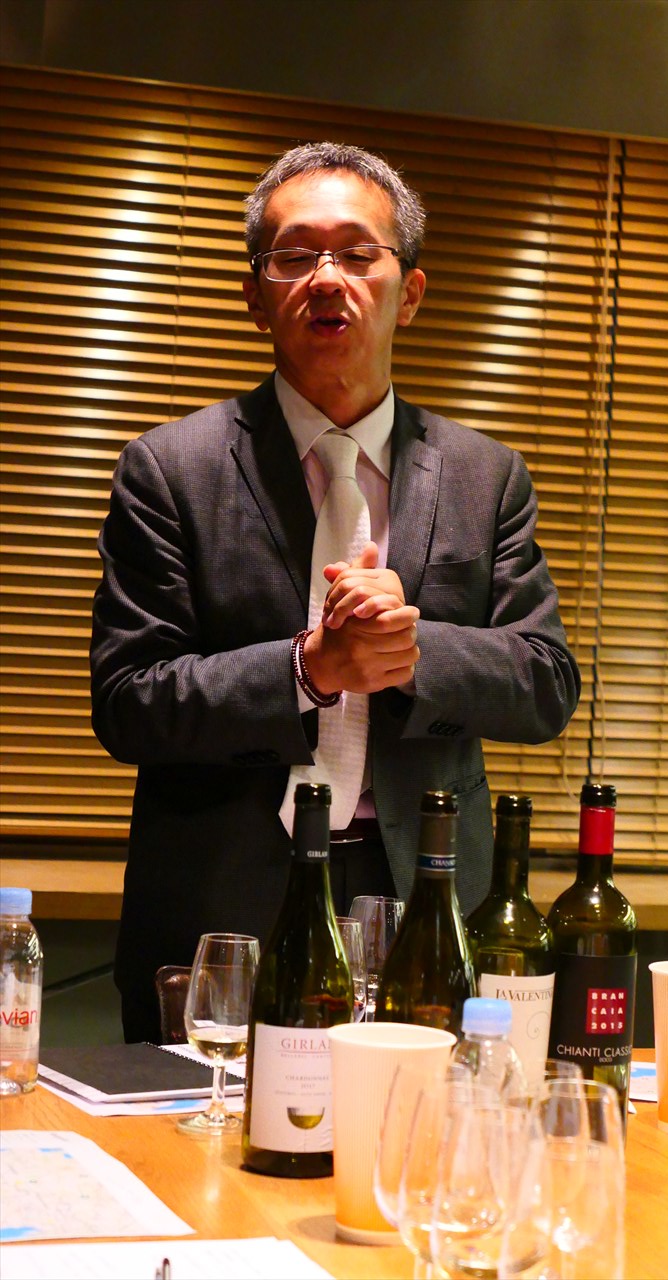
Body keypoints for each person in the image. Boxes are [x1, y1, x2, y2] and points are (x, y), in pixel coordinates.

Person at [90, 142, 580, 1043]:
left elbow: (545, 682)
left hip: (424, 903)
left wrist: (414, 651)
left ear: (410, 293)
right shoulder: (169, 470)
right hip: (222, 909)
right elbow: (128, 703)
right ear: (255, 296)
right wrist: (308, 668)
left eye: (358, 253)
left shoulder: (487, 478)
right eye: (293, 256)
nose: (326, 278)